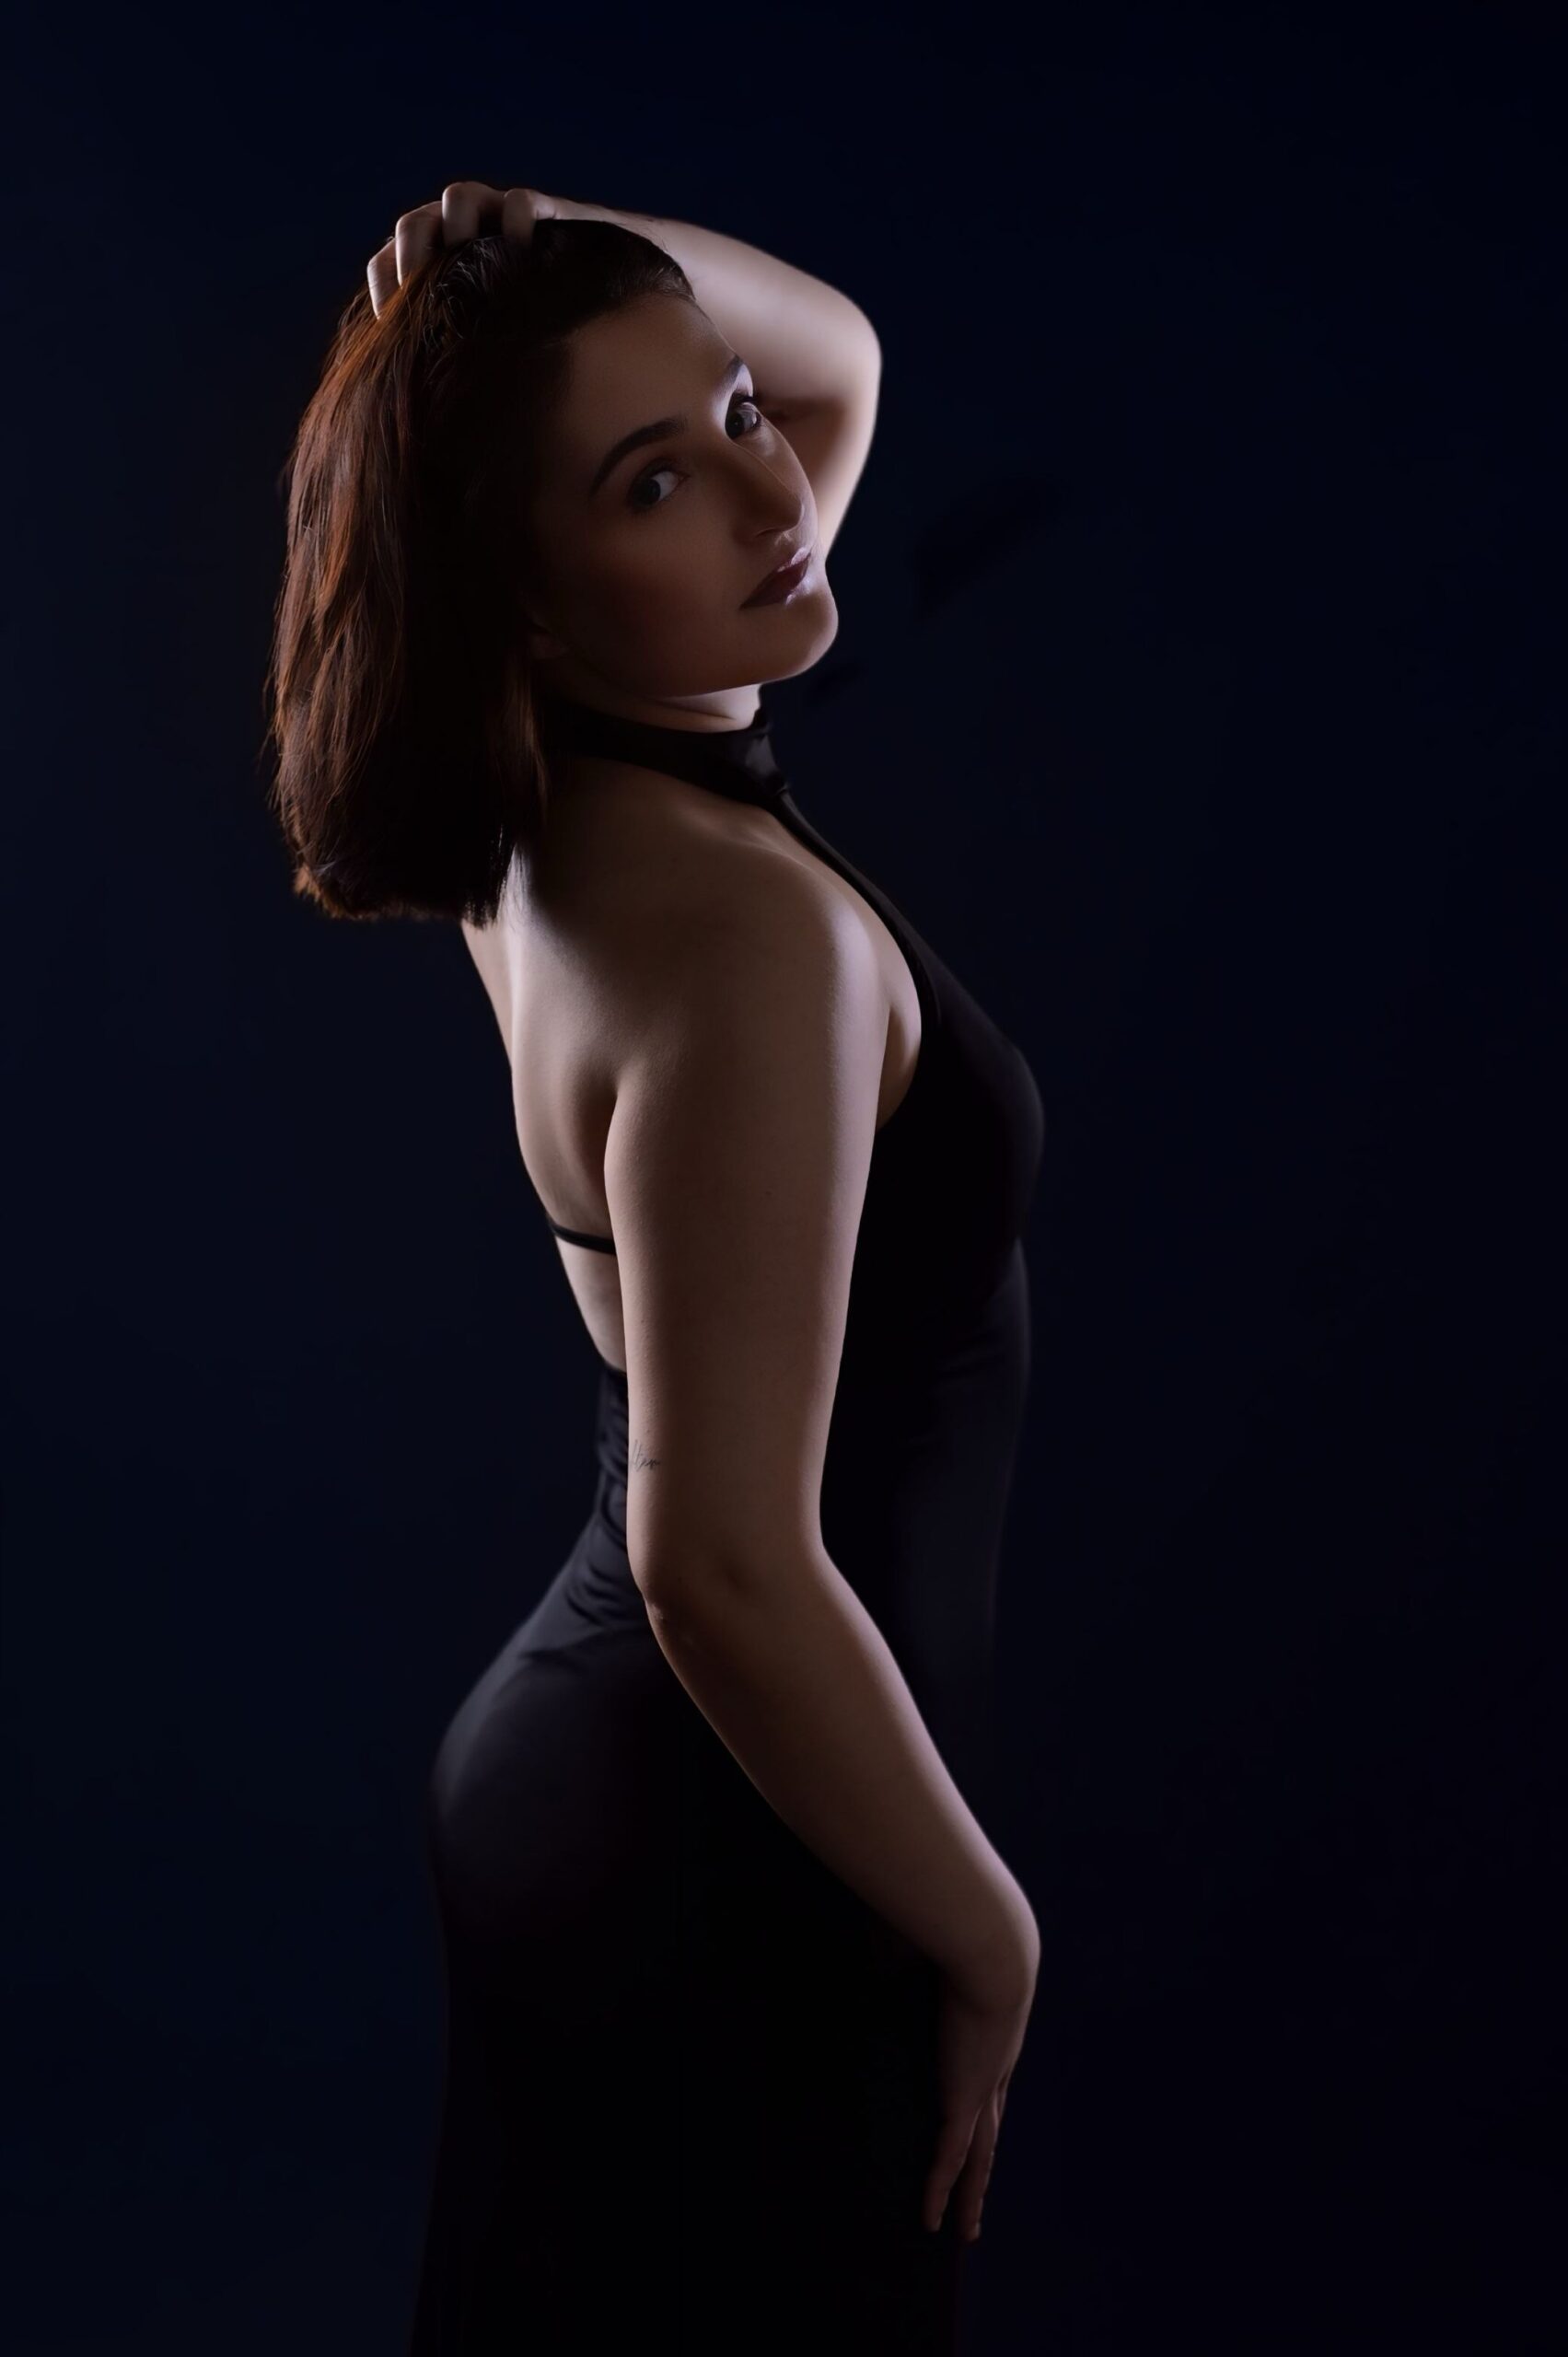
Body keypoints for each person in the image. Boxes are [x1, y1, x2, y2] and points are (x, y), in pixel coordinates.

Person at [263, 182, 1044, 2352]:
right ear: (522, 592)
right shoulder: (742, 936)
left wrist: (526, 235)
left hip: (625, 1796)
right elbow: (720, 1560)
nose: (772, 492)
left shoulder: (546, 805)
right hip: (742, 1833)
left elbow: (836, 363)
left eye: (729, 418)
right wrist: (990, 1930)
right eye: (653, 480)